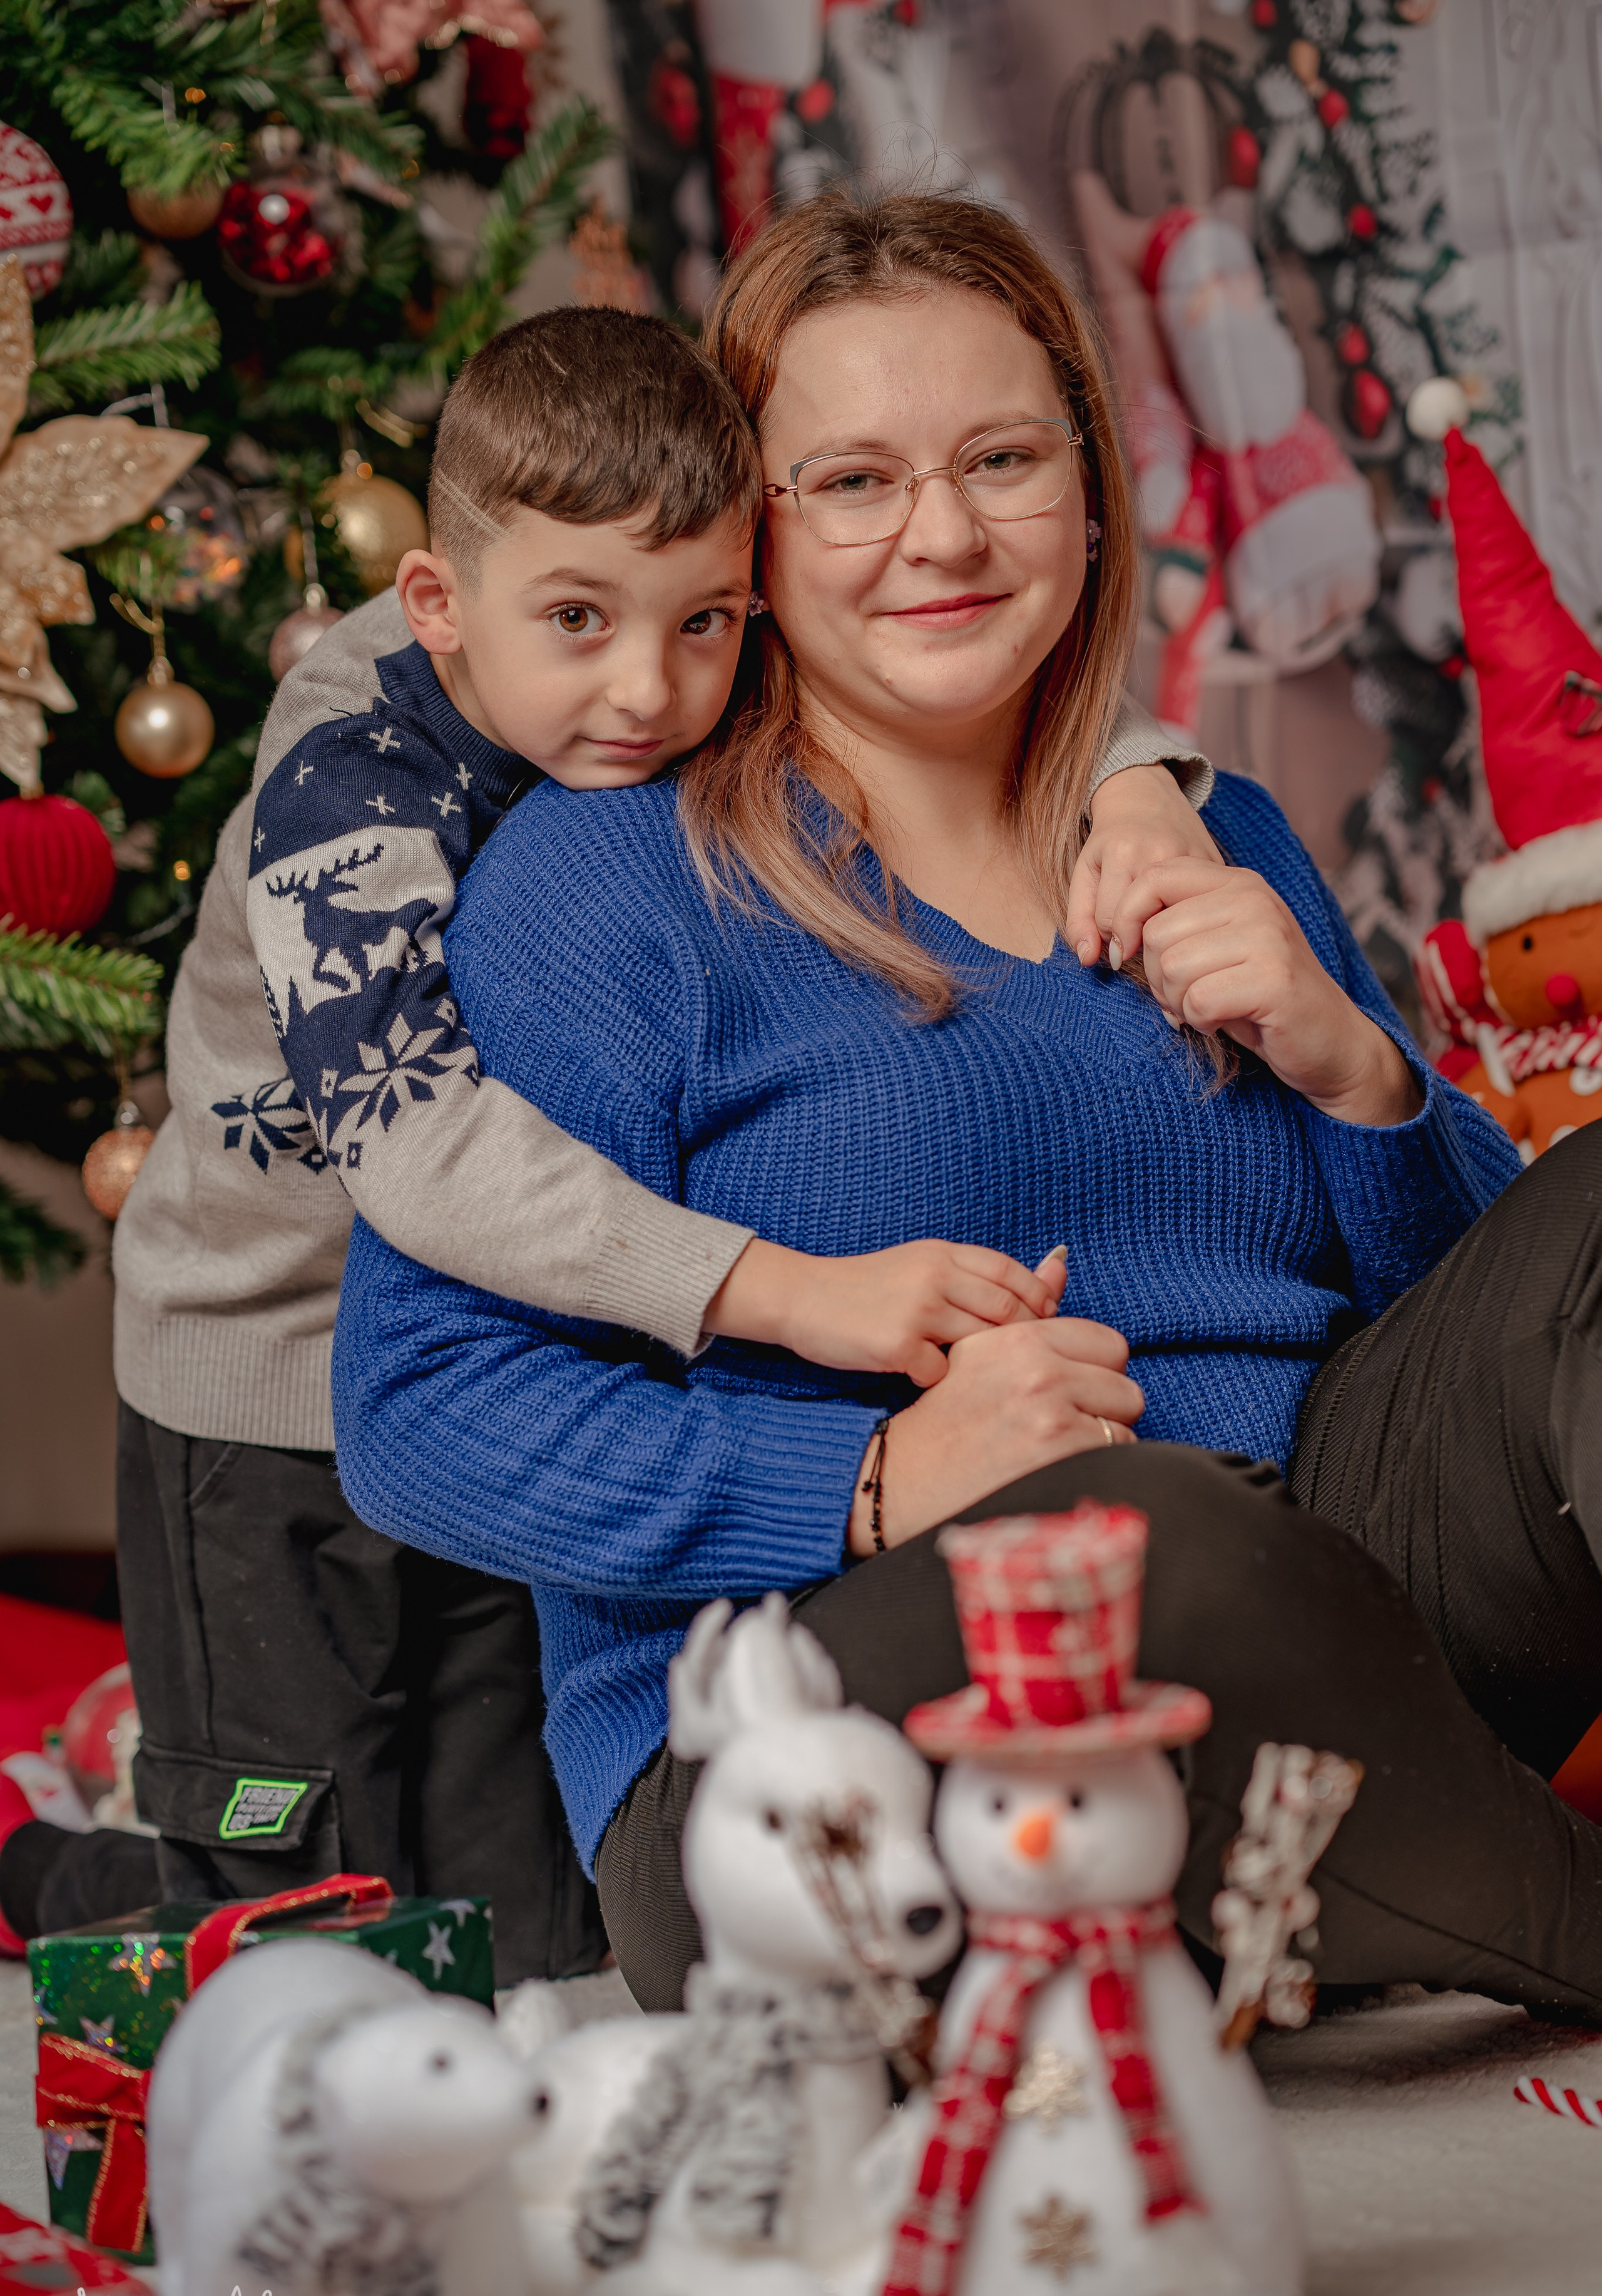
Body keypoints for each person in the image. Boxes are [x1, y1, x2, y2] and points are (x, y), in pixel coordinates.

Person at [334, 190, 1602, 2024]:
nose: (943, 534)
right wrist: (865, 1483)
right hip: (807, 1748)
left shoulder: (1216, 835)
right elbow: (417, 1413)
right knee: (1144, 1535)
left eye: (1002, 458)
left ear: (1087, 486)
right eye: (852, 481)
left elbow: (1518, 1353)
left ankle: (1362, 1859)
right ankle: (1525, 1902)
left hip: (1334, 1596)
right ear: (749, 529)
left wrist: (1363, 1072)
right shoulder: (606, 885)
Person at [18, 305, 1208, 1983]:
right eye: (576, 621)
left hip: (531, 1362)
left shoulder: (666, 633)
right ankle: (61, 1872)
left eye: (707, 622)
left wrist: (1138, 785)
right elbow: (423, 1149)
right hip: (266, 1378)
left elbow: (951, 669)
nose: (648, 690)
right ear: (439, 602)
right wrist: (792, 1292)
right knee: (292, 1913)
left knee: (526, 1923)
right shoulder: (350, 777)